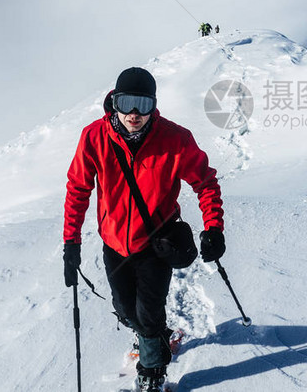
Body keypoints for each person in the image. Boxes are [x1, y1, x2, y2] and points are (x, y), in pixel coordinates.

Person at [63, 67, 226, 392]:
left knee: (148, 313)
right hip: (114, 243)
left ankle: (152, 369)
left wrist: (214, 228)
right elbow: (78, 188)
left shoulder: (175, 139)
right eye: (127, 103)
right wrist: (71, 242)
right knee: (125, 309)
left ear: (154, 104)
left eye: (143, 104)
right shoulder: (94, 137)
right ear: (114, 103)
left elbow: (205, 182)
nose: (134, 113)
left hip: (157, 243)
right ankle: (156, 336)